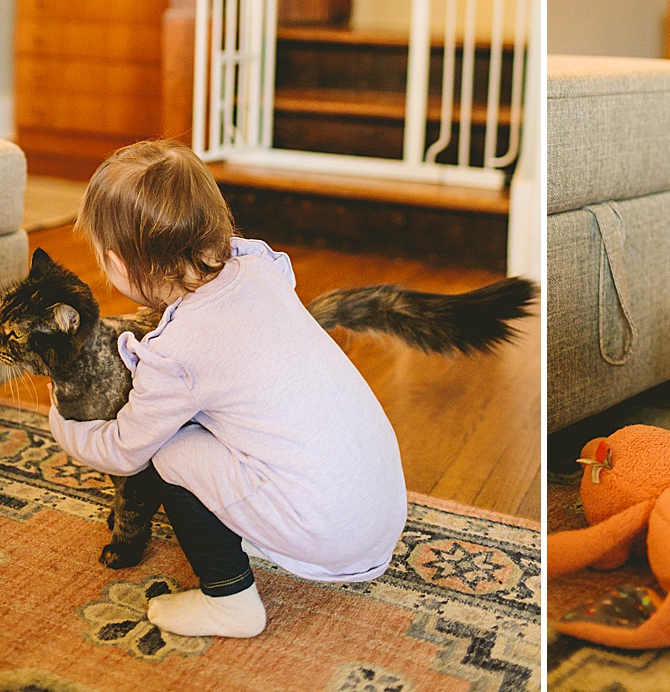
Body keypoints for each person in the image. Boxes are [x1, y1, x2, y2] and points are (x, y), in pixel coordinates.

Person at [49, 139, 407, 638]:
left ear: (118, 265)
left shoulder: (177, 352)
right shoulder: (259, 269)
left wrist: (64, 421)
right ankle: (264, 524)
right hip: (381, 508)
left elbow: (125, 451)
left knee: (168, 448)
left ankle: (229, 599)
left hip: (327, 528)